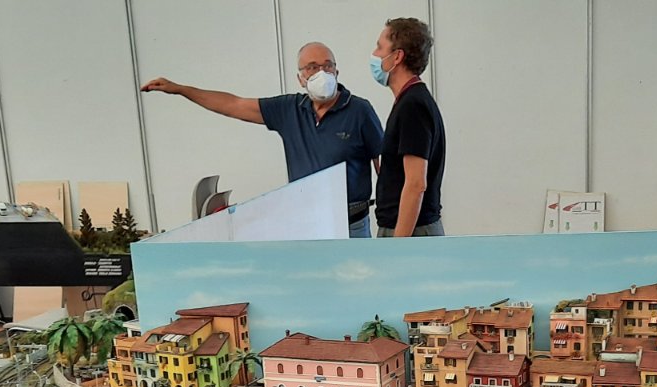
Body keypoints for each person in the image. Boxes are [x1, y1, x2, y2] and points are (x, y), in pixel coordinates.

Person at [142, 43, 383, 238]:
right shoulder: (289, 110)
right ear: (300, 78)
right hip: (305, 223)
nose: (321, 72)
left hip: (351, 225)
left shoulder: (359, 110)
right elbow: (233, 104)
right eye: (312, 67)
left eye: (327, 65)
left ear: (337, 71)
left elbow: (382, 162)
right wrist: (181, 89)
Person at [370, 18, 445, 237]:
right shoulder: (409, 101)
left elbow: (415, 184)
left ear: (397, 56)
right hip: (407, 229)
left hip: (411, 232)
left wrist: (399, 245)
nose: (374, 54)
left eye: (380, 47)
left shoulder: (413, 106)